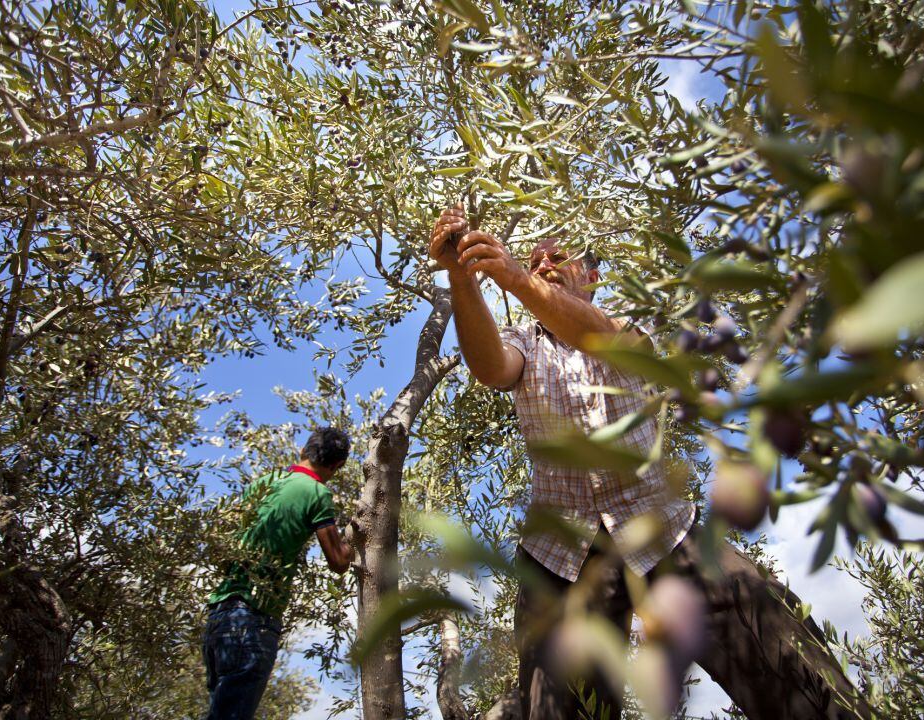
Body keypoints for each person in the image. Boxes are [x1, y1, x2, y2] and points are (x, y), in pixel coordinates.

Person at [428, 205, 863, 720]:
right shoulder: (524, 341)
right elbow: (491, 367)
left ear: (590, 275)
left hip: (667, 534)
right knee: (564, 709)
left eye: (557, 257)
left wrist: (518, 278)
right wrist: (462, 276)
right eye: (535, 259)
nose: (543, 264)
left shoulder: (627, 325)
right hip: (559, 556)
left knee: (779, 646)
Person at [202, 427, 354, 720]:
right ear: (336, 466)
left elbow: (226, 540)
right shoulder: (316, 492)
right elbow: (338, 562)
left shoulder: (264, 483)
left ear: (302, 451)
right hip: (254, 619)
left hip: (219, 618)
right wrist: (355, 535)